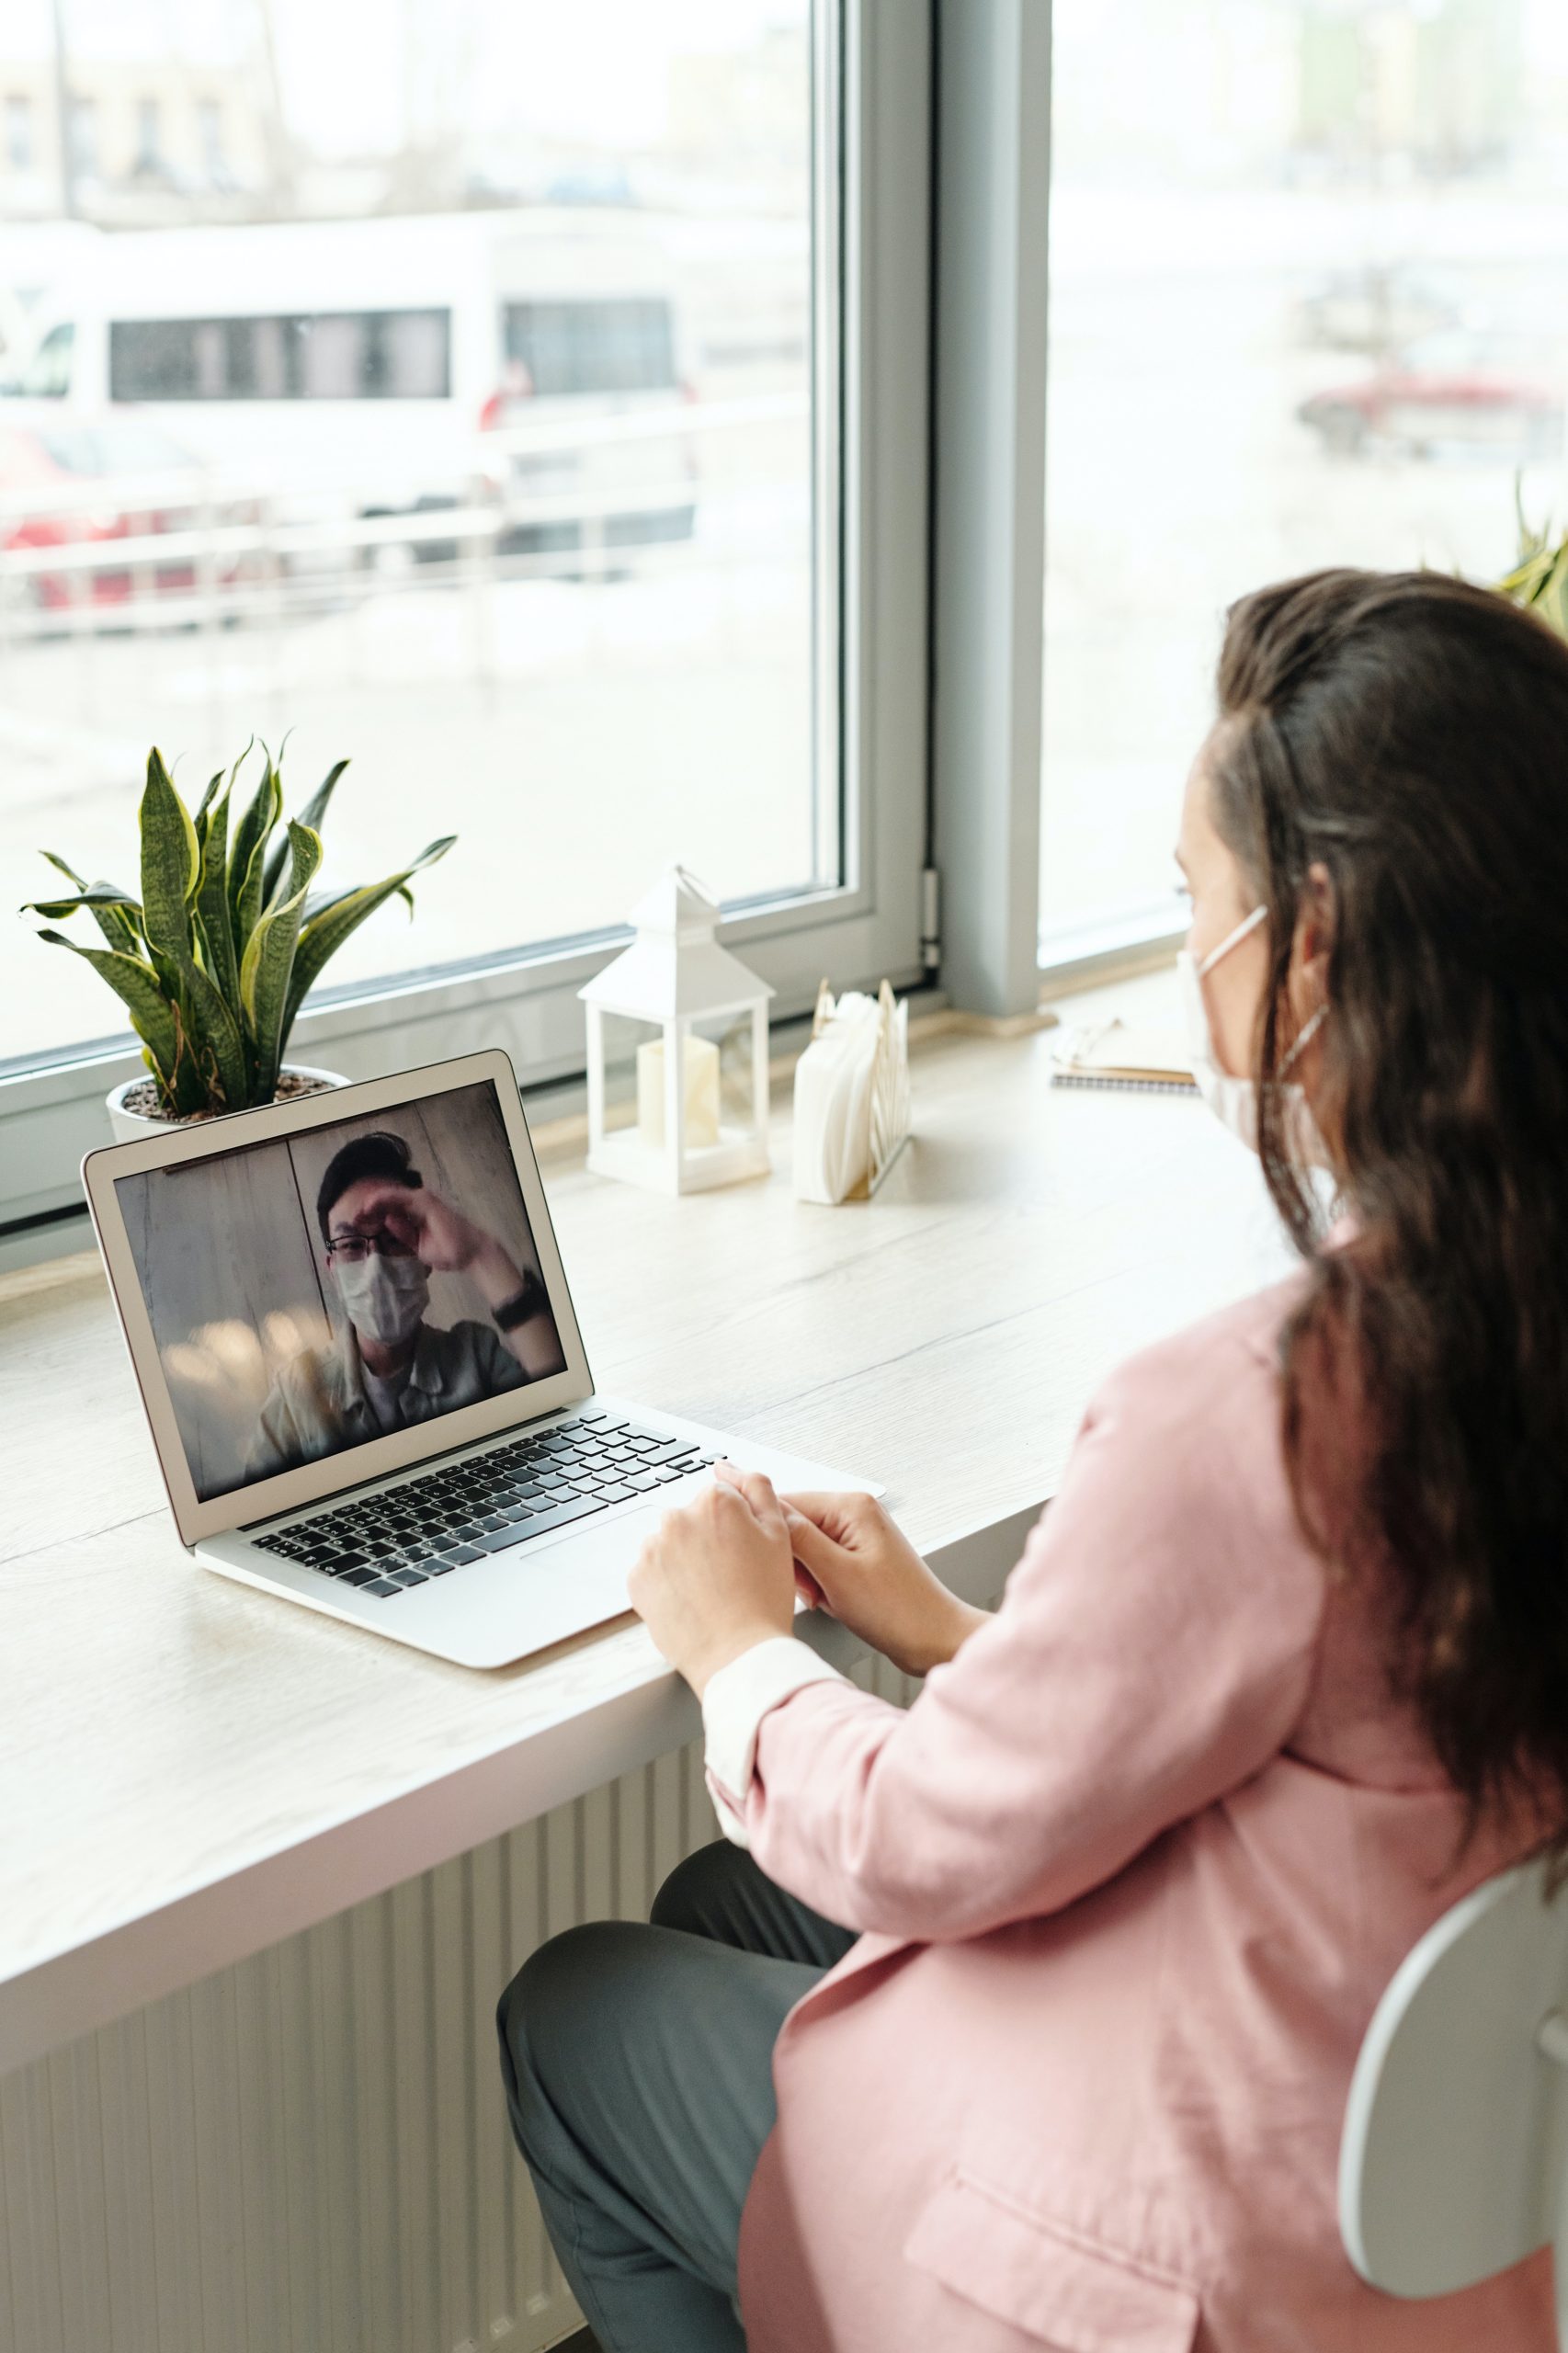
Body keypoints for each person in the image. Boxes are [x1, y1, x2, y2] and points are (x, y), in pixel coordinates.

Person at [496, 569, 1568, 2352]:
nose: (1184, 953)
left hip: (1199, 2264)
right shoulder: (1500, 1339)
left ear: (1304, 954)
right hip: (1427, 2220)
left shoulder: (1266, 1411)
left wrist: (732, 1645)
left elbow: (920, 1838)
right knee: (718, 1895)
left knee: (578, 2004)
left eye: (1191, 906)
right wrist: (938, 1628)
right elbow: (1307, 1734)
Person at [247, 1129, 563, 1479]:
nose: (376, 1265)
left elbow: (562, 1423)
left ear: (424, 1256)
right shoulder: (296, 1394)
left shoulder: (476, 1355)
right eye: (352, 1244)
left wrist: (480, 1253)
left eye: (394, 1239)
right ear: (332, 1268)